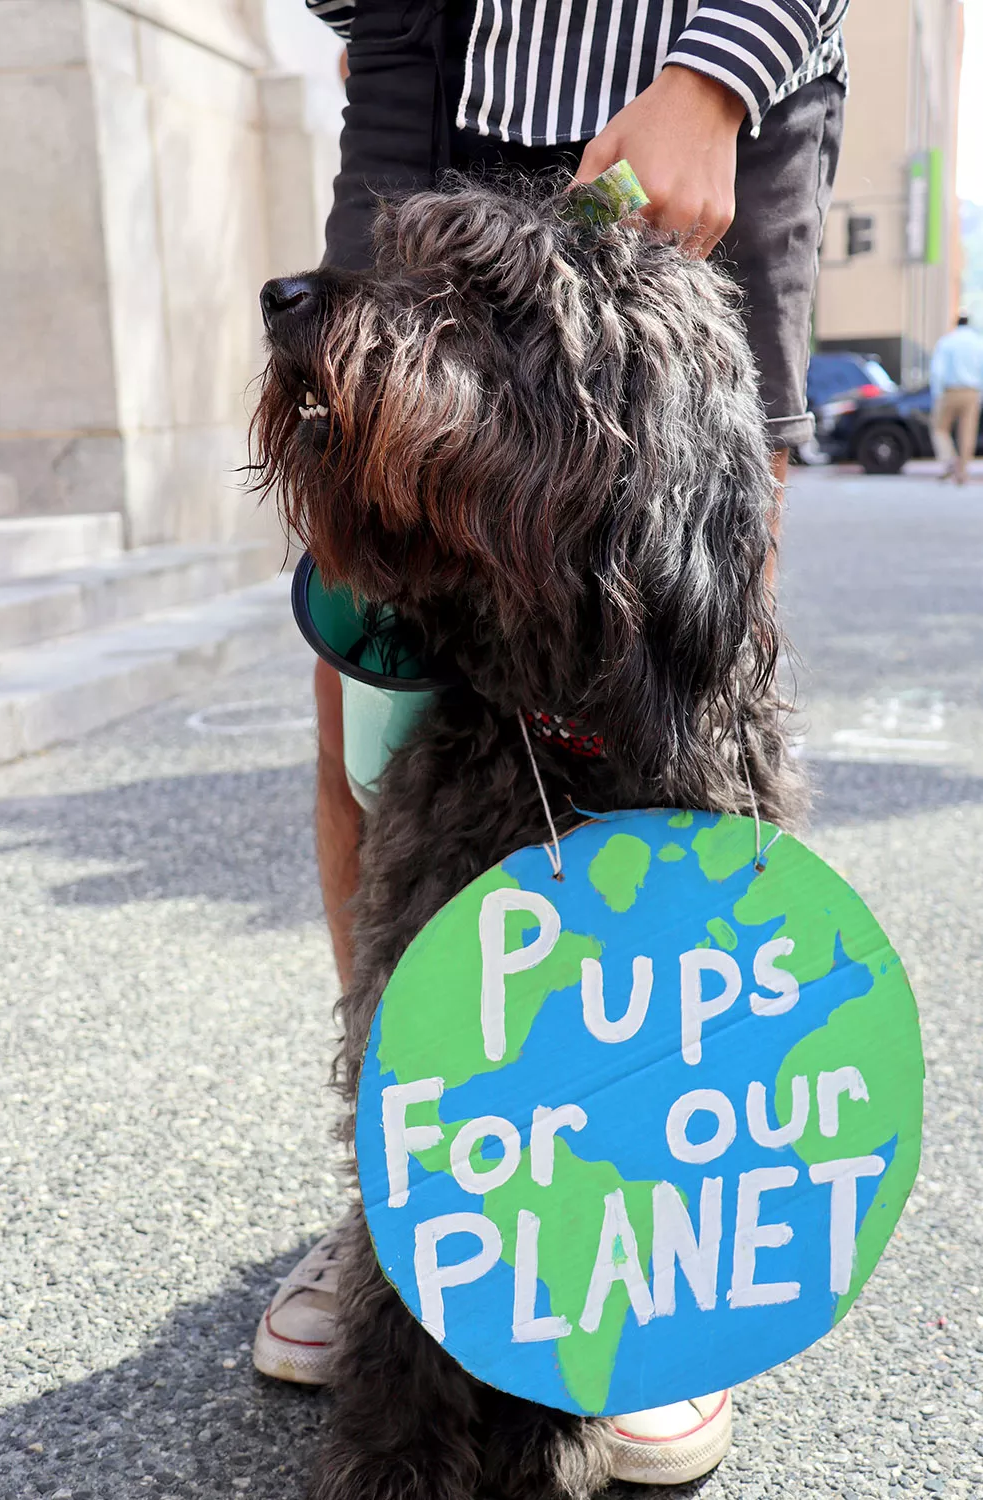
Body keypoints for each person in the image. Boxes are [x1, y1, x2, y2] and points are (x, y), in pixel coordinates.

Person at [253, 0, 848, 1482]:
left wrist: (721, 73)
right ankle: (413, 1200)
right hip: (441, 74)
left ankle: (649, 1250)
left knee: (689, 625)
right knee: (370, 645)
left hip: (714, 100)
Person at [930, 314, 983, 484]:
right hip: (972, 392)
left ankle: (949, 460)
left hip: (950, 391)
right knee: (968, 432)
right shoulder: (978, 342)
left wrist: (937, 394)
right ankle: (963, 470)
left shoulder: (947, 341)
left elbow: (937, 371)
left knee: (939, 428)